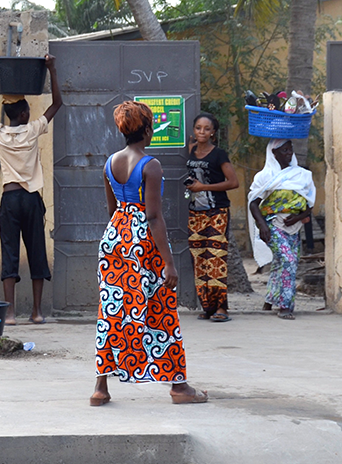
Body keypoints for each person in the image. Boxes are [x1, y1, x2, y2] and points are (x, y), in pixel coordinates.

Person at [92, 100, 208, 407]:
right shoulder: (151, 165)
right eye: (151, 125)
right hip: (144, 243)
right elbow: (154, 217)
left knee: (113, 310)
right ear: (146, 129)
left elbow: (111, 208)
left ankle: (101, 388)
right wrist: (169, 263)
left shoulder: (109, 162)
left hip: (115, 238)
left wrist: (121, 234)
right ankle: (179, 388)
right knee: (161, 310)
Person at [0, 54, 62, 325]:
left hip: (9, 199)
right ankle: (37, 312)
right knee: (36, 251)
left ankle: (10, 313)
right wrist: (51, 68)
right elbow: (58, 104)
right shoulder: (32, 130)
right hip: (30, 199)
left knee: (10, 254)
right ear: (26, 114)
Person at [247, 139, 316, 320]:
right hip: (272, 225)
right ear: (274, 153)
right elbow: (253, 203)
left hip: (293, 226)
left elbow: (309, 205)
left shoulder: (302, 175)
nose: (288, 153)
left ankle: (269, 301)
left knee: (280, 263)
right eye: (284, 150)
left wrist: (298, 218)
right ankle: (285, 306)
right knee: (288, 258)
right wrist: (262, 225)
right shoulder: (265, 176)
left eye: (290, 149)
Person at [185, 112, 239, 322]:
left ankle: (222, 308)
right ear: (194, 129)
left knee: (216, 258)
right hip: (195, 212)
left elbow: (233, 182)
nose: (202, 132)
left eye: (207, 129)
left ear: (213, 132)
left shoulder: (219, 154)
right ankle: (207, 306)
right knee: (199, 259)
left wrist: (203, 187)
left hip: (217, 212)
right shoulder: (191, 150)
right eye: (198, 128)